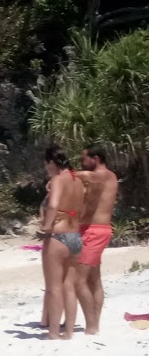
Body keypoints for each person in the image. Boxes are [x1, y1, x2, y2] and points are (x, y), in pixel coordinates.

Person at [38, 146, 87, 340]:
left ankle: (53, 332)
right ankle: (68, 332)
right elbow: (80, 208)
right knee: (69, 285)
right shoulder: (77, 181)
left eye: (46, 164)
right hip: (75, 236)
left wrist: (46, 225)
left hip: (58, 237)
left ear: (52, 162)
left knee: (54, 287)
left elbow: (53, 204)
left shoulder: (58, 180)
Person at [74, 144, 118, 334]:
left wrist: (64, 175)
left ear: (96, 159)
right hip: (86, 230)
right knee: (93, 279)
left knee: (78, 281)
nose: (82, 163)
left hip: (97, 231)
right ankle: (94, 322)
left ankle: (92, 326)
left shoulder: (106, 175)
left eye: (85, 159)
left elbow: (89, 176)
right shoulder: (95, 182)